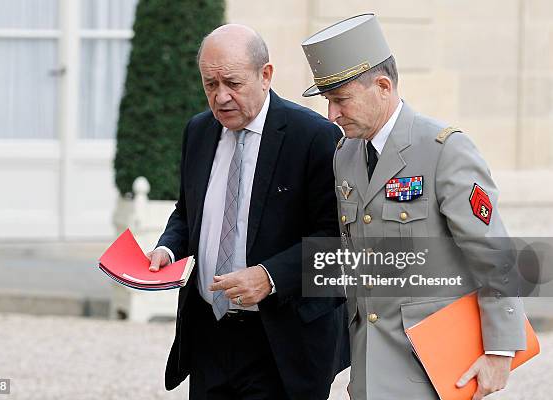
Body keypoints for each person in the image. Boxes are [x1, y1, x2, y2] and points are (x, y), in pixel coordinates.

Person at [300, 14, 526, 400]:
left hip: (433, 371)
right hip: (369, 367)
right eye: (328, 101)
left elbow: (493, 255)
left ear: (383, 86)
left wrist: (500, 351)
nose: (332, 116)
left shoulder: (444, 149)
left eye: (341, 100)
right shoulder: (346, 155)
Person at [147, 24, 349, 400]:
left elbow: (339, 239)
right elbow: (187, 212)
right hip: (209, 333)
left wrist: (270, 277)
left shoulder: (316, 137)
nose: (221, 97)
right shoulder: (198, 131)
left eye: (233, 83)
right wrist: (168, 248)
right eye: (210, 84)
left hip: (283, 340)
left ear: (266, 75)